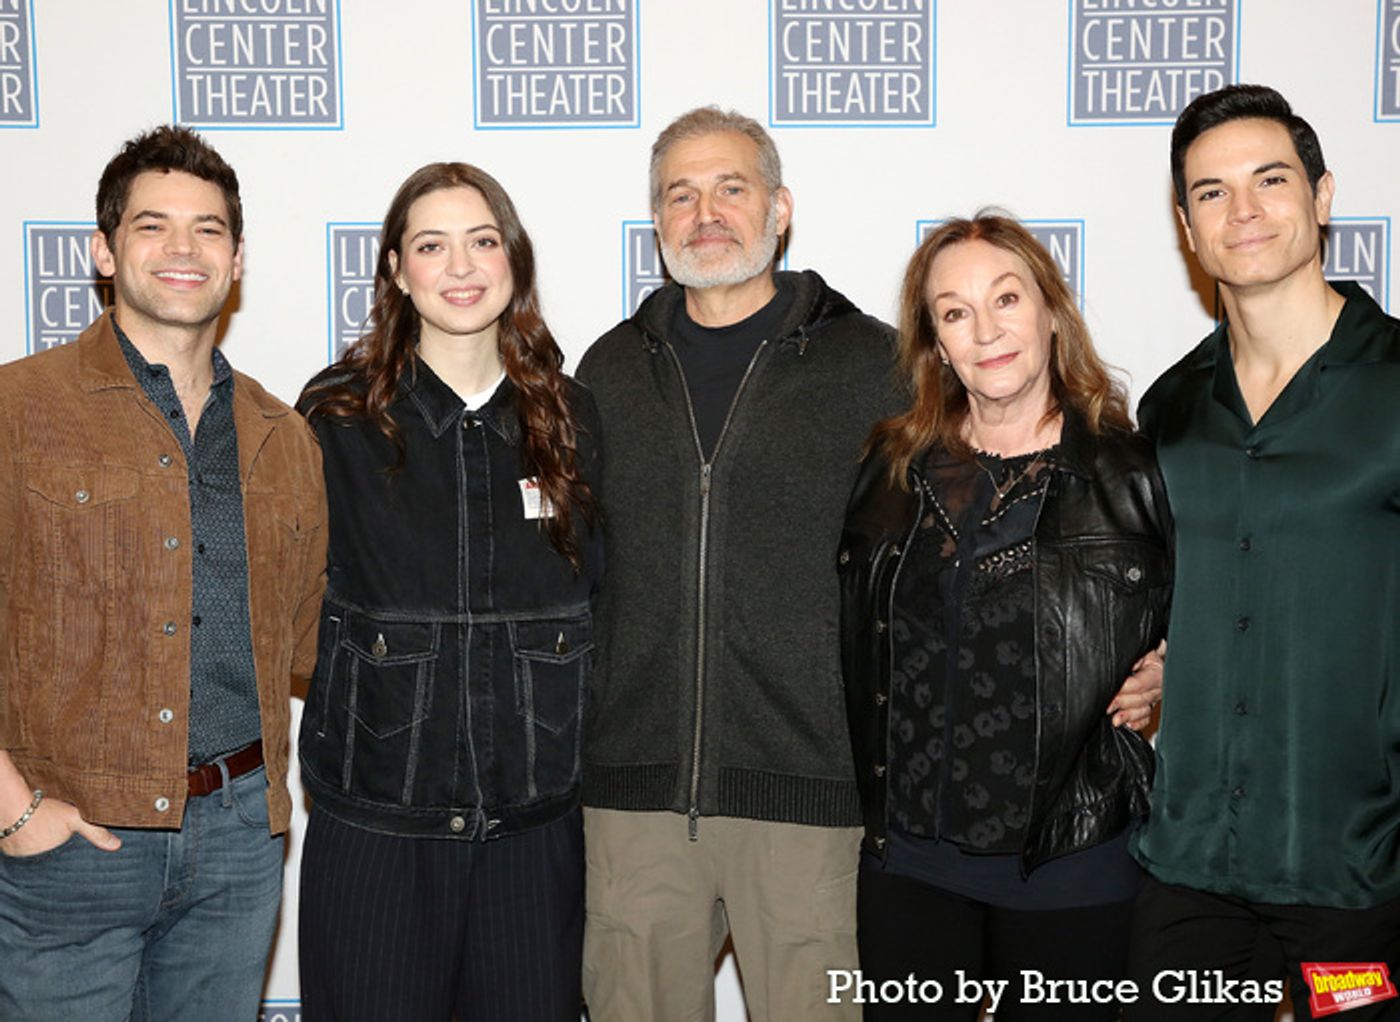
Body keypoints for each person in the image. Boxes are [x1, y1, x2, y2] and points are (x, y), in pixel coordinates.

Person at [576, 108, 1163, 1021]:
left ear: (780, 209)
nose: (706, 213)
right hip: (637, 797)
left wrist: (1164, 657)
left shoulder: (874, 372)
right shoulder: (607, 371)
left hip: (814, 800)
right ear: (655, 223)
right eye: (680, 195)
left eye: (731, 187)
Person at [0, 126, 327, 1020]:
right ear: (104, 251)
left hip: (239, 847)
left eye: (208, 229)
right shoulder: (17, 409)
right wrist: (15, 811)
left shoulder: (284, 435)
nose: (184, 247)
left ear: (237, 258)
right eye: (153, 225)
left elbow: (308, 636)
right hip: (67, 843)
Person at [839, 214, 1172, 1020]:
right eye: (955, 312)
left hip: (1072, 863)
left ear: (1051, 311)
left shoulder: (1132, 471)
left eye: (1007, 298)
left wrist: (1179, 665)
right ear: (936, 344)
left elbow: (1235, 612)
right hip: (911, 863)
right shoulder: (891, 468)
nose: (985, 330)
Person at [295, 162, 602, 1021]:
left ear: (514, 259)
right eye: (432, 246)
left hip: (534, 840)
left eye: (482, 241)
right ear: (397, 271)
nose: (461, 267)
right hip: (377, 836)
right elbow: (284, 600)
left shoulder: (575, 420)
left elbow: (606, 600)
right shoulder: (335, 419)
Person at [1124, 84, 1400, 1021]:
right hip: (1191, 865)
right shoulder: (1167, 409)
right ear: (1187, 227)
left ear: (1321, 196)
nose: (1242, 210)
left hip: (1359, 875)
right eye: (1211, 192)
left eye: (1270, 179)